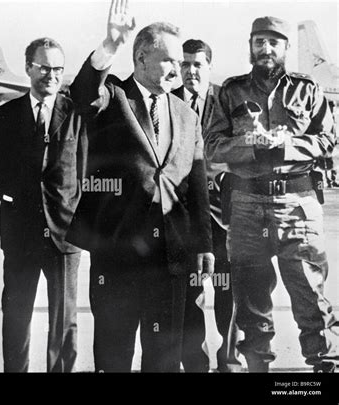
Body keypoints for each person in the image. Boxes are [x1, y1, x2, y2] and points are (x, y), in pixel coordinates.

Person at [68, 0, 214, 372]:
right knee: (114, 354)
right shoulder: (114, 96)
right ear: (142, 57)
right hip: (118, 256)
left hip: (171, 258)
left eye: (180, 62)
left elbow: (195, 184)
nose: (178, 70)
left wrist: (204, 244)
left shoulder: (186, 113)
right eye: (169, 61)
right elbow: (83, 92)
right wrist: (109, 45)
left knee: (163, 356)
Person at [205, 16, 339, 373]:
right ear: (250, 45)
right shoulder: (230, 91)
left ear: (285, 48)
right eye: (259, 42)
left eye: (273, 42)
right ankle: (258, 370)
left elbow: (327, 139)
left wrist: (286, 144)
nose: (266, 49)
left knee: (312, 299)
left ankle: (325, 371)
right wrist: (248, 143)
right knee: (251, 303)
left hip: (298, 207)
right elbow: (214, 147)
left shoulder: (307, 89)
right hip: (247, 206)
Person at [0, 38, 86, 372]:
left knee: (64, 320)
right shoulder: (5, 115)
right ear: (28, 67)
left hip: (65, 233)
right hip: (19, 233)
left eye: (58, 69)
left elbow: (84, 169)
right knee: (16, 316)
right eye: (44, 68)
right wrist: (9, 193)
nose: (52, 76)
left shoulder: (76, 113)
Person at [172, 39, 241, 372]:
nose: (190, 71)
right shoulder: (168, 101)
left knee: (227, 290)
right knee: (187, 291)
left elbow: (238, 148)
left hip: (221, 213)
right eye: (184, 64)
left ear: (209, 66)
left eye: (197, 64)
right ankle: (195, 363)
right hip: (182, 215)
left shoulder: (226, 101)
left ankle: (227, 360)